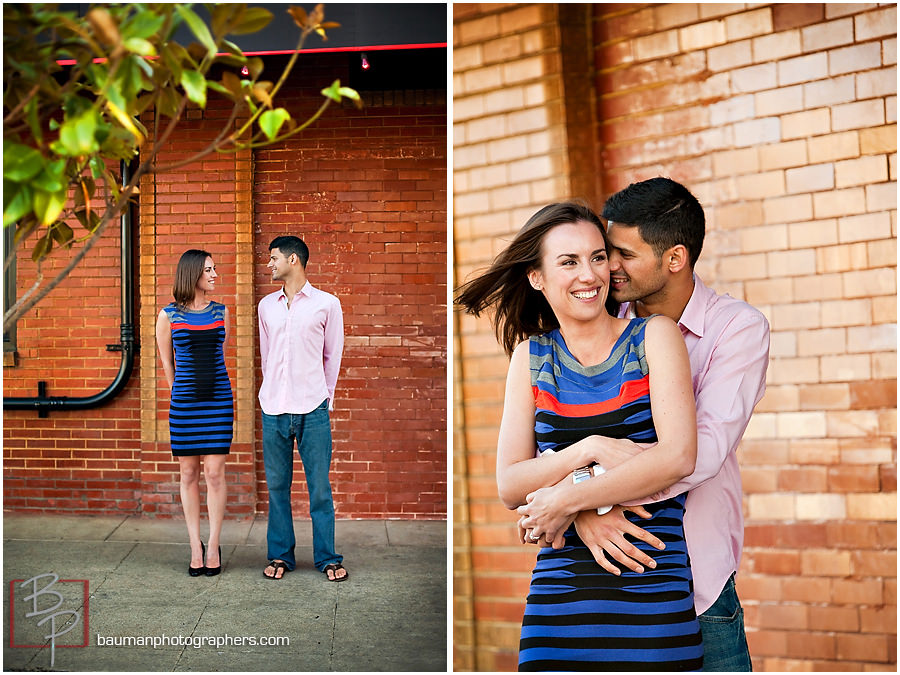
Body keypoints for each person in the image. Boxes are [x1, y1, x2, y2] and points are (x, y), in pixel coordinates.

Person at [518, 177, 769, 671]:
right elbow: (547, 445)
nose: (607, 266)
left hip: (696, 574)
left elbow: (697, 456)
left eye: (621, 254)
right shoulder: (601, 321)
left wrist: (578, 497)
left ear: (673, 259)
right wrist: (581, 498)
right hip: (591, 577)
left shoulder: (737, 329)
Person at [456, 202, 704, 671]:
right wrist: (588, 450)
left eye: (597, 257)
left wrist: (566, 498)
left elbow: (677, 457)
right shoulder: (531, 358)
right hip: (559, 605)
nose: (589, 275)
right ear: (536, 277)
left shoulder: (655, 337)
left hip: (652, 593)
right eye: (568, 262)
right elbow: (510, 484)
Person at [258, 235, 347, 582]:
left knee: (319, 489)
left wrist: (325, 397)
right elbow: (267, 357)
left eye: (274, 258)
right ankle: (280, 556)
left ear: (293, 260)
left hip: (313, 409)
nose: (270, 264)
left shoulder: (327, 304)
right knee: (277, 487)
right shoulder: (267, 306)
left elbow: (333, 356)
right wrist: (271, 393)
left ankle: (328, 558)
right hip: (274, 409)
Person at [155, 249, 233, 577]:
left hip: (217, 400)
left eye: (215, 269)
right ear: (192, 275)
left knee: (214, 472)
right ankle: (194, 546)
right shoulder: (168, 315)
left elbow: (220, 354)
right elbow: (167, 363)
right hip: (185, 404)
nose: (215, 275)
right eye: (209, 270)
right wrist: (179, 394)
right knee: (188, 473)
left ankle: (213, 543)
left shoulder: (221, 311)